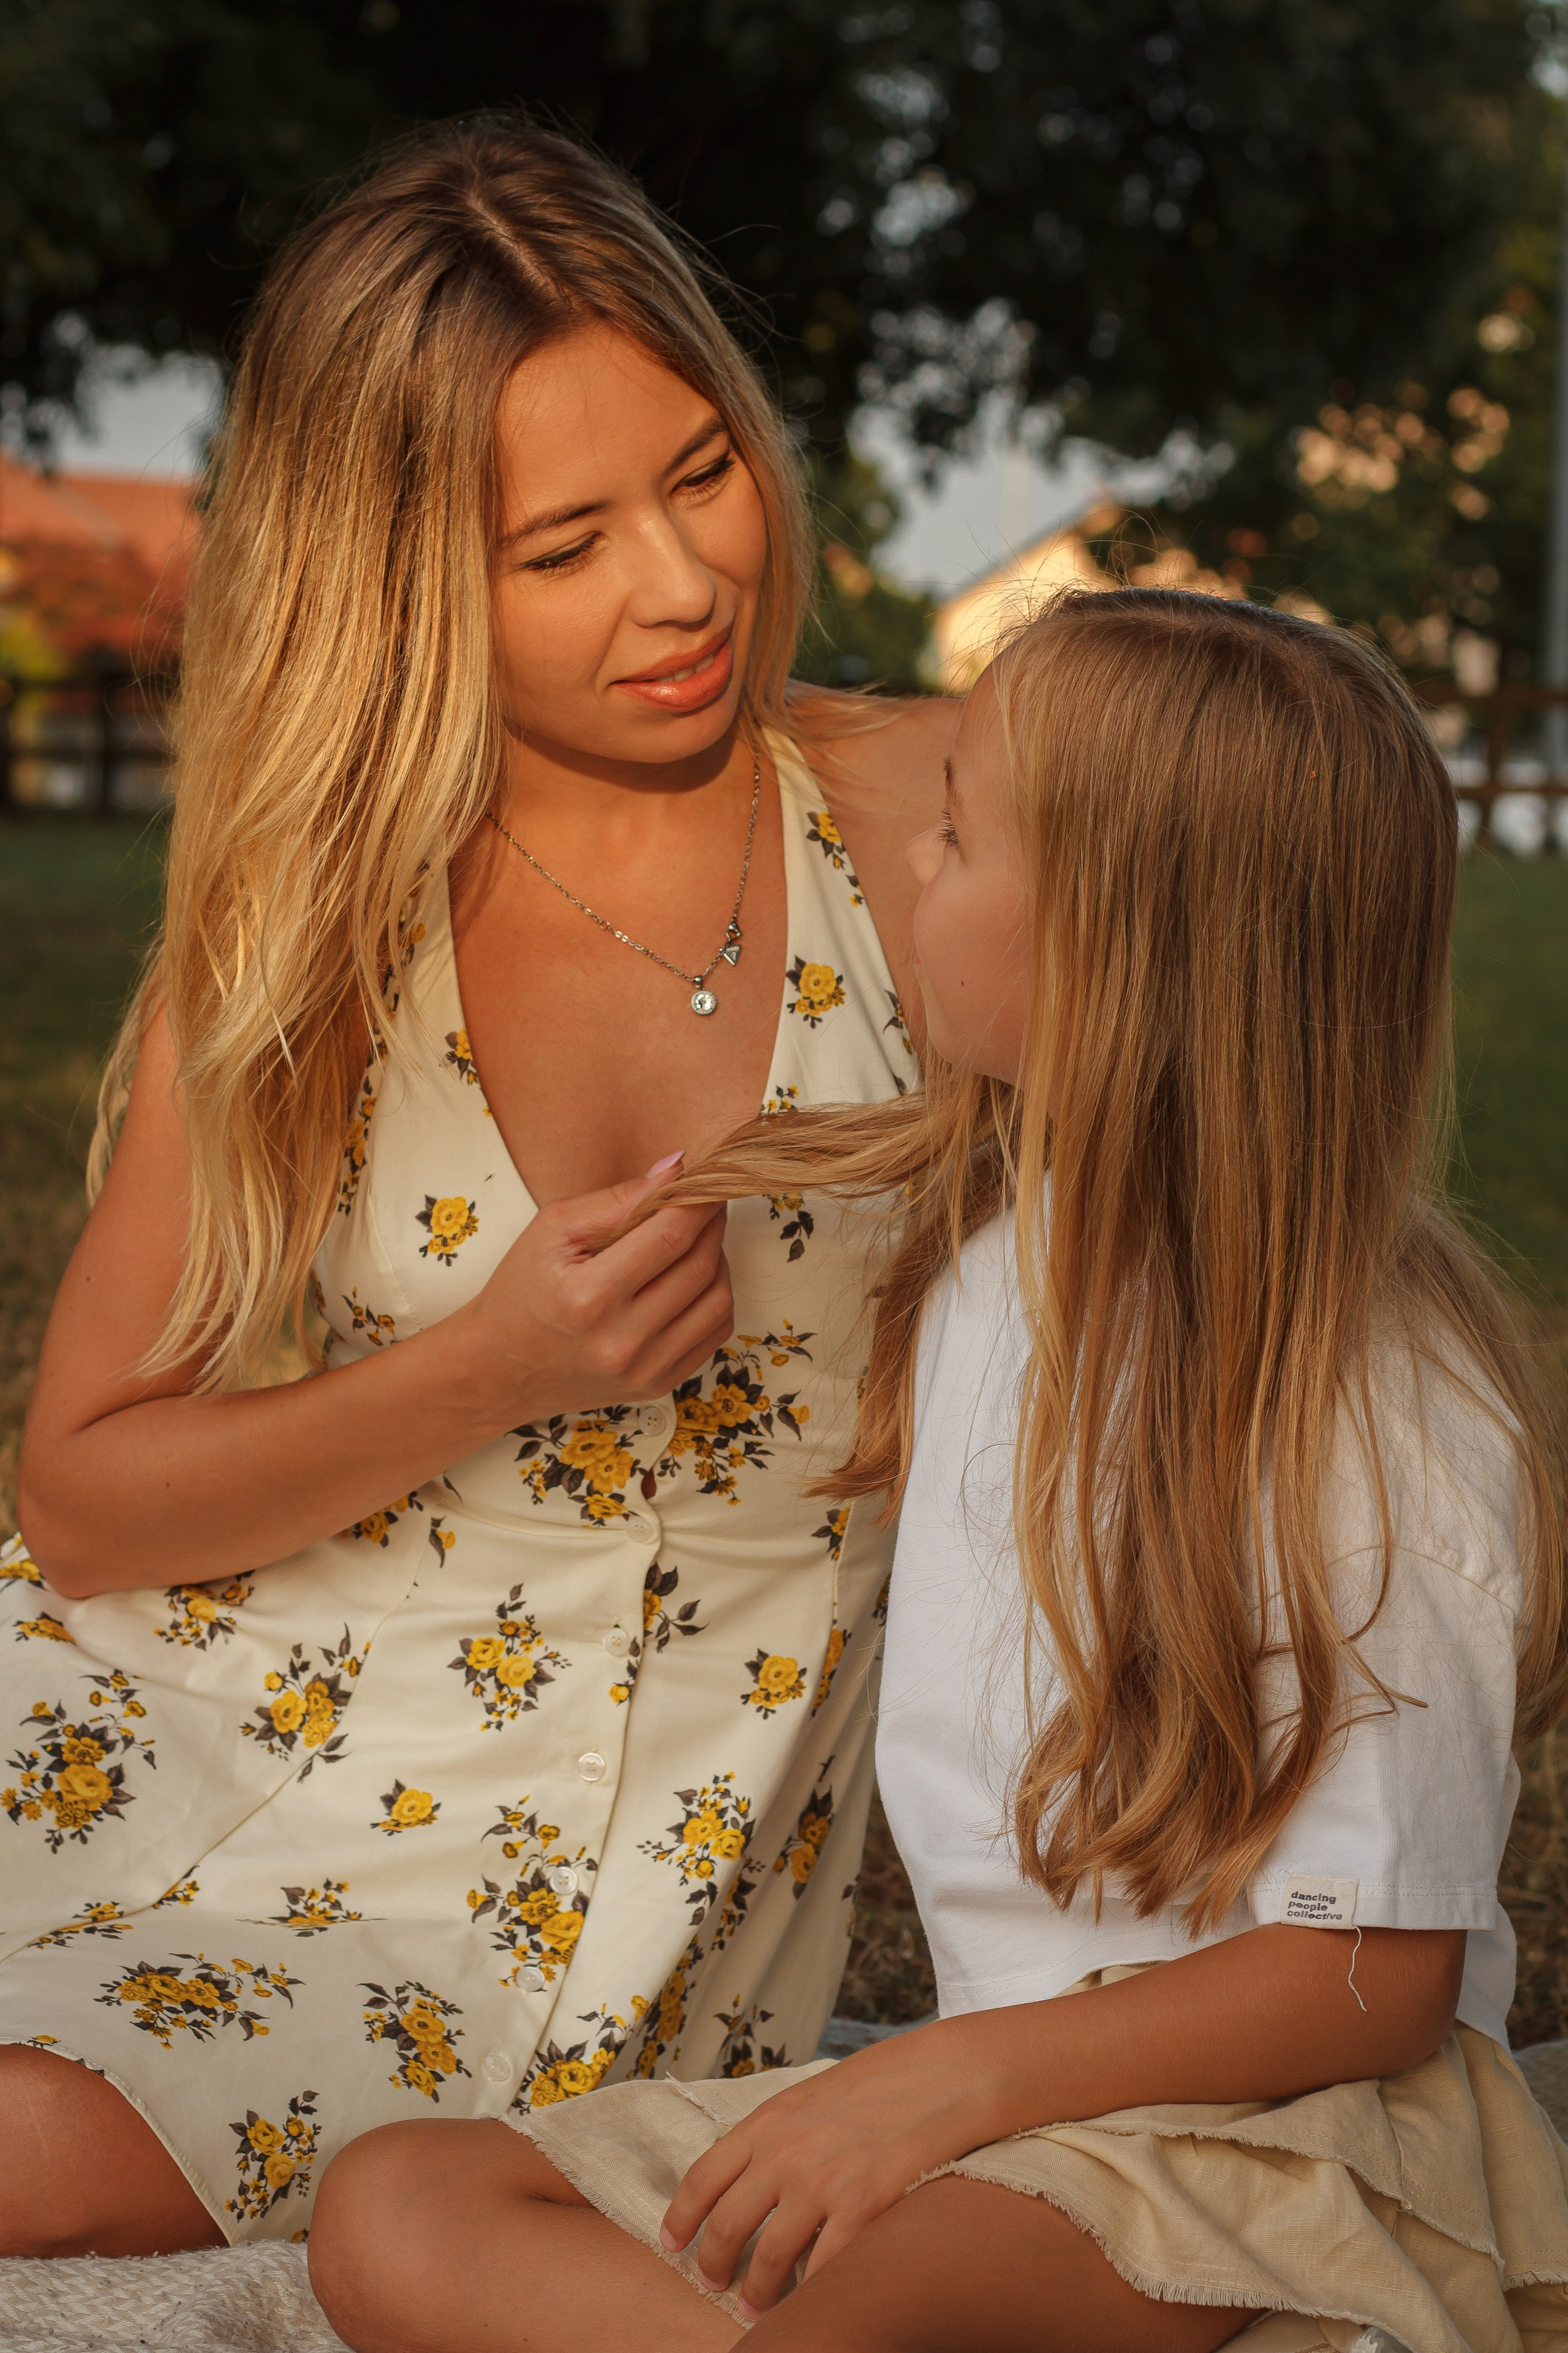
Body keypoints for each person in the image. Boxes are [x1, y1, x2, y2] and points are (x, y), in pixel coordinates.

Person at [309, 589, 1568, 2353]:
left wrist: (944, 2084)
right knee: (397, 2208)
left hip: (1280, 2135)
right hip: (1009, 2123)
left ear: (1121, 953)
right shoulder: (998, 1258)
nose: (905, 874)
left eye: (958, 837)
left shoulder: (1374, 1401)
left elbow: (1373, 1977)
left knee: (862, 2321)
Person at [0, 118, 957, 2257]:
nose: (682, 585)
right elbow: (81, 1493)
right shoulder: (316, 924)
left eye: (702, 472)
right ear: (400, 577)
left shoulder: (929, 823)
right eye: (563, 545)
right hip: (167, 1704)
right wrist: (491, 1367)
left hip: (562, 1861)